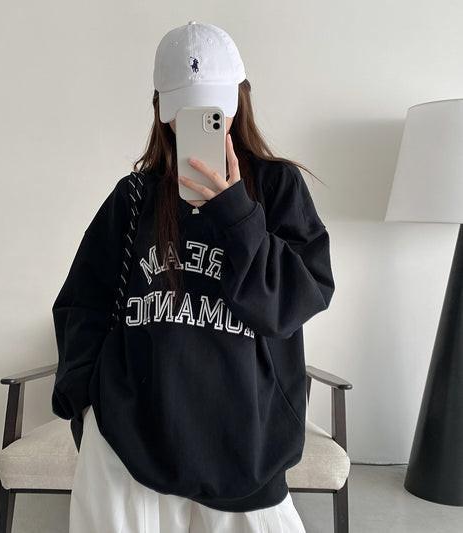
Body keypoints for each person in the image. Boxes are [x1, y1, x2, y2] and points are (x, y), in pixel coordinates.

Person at [51, 21, 335, 533]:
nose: (204, 122)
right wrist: (86, 400)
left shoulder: (277, 188)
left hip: (247, 445)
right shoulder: (134, 197)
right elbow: (82, 301)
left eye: (214, 109)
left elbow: (296, 301)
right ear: (162, 111)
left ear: (239, 102)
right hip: (129, 440)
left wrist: (235, 212)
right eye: (187, 111)